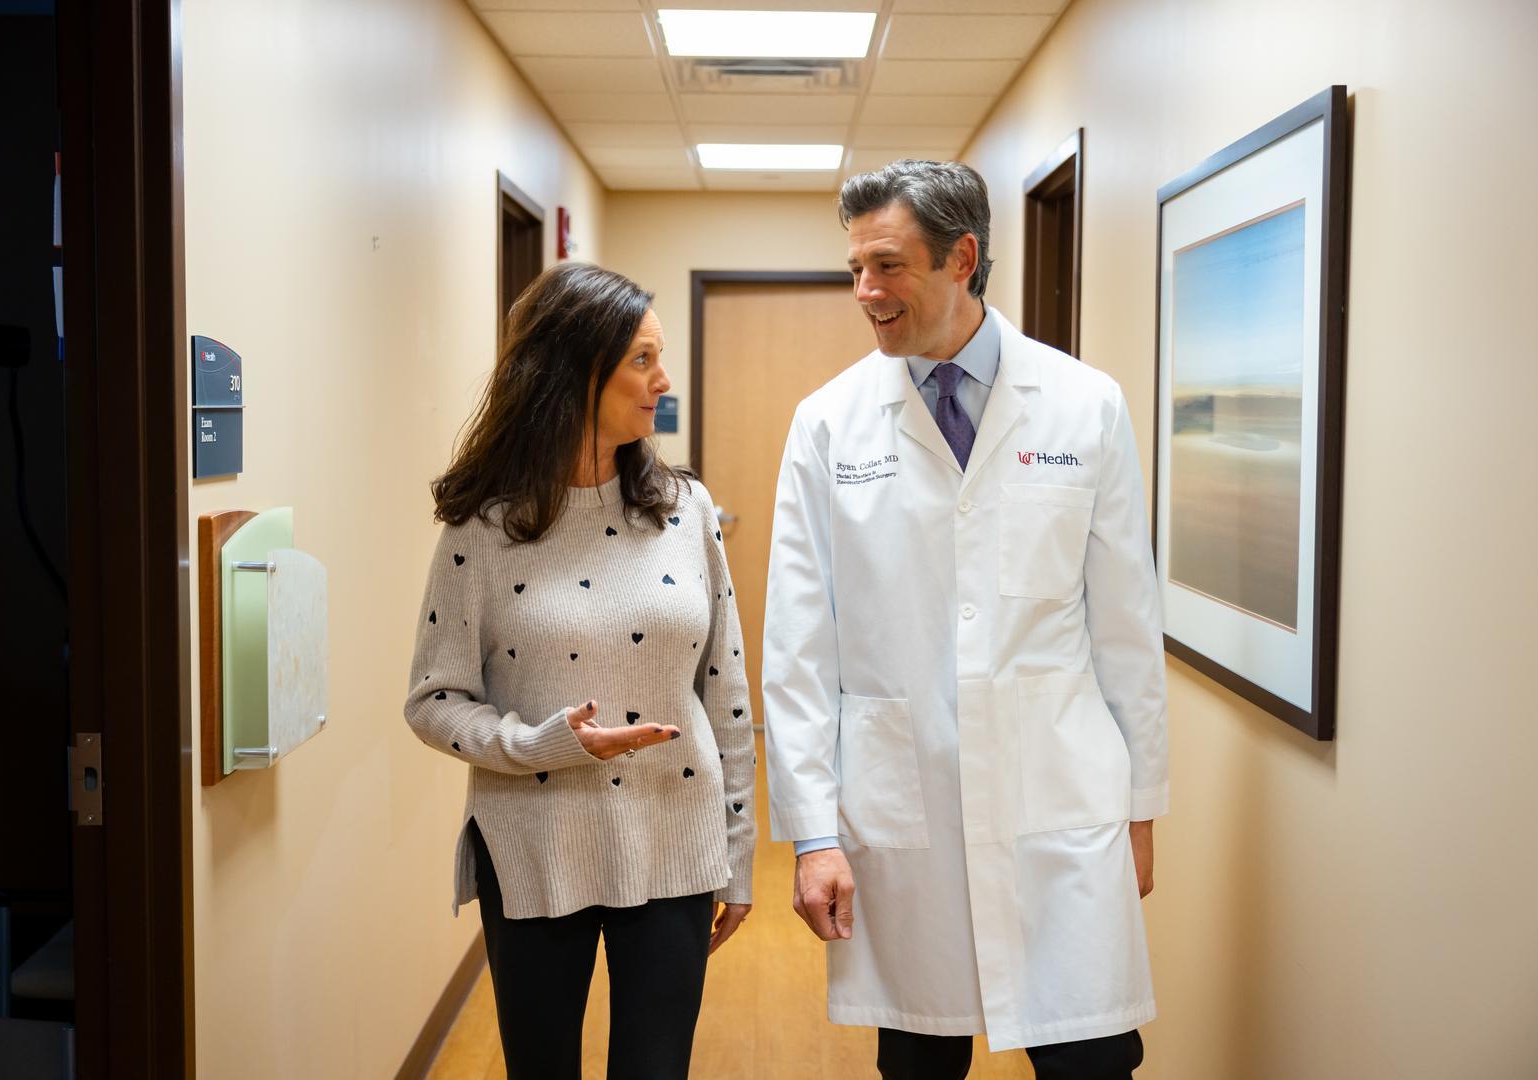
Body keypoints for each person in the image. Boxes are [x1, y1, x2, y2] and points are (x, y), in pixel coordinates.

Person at [762, 160, 1168, 1079]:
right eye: (854, 268)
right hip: (904, 801)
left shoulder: (1083, 403)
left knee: (1093, 1056)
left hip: (1059, 796)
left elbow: (1125, 627)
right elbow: (797, 645)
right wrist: (814, 836)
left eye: (888, 265)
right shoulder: (827, 424)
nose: (866, 291)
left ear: (963, 258)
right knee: (917, 1057)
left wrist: (1140, 809)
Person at [404, 262, 754, 1080]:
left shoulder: (685, 510)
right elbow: (433, 701)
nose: (662, 382)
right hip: (533, 846)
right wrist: (544, 743)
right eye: (641, 360)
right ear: (569, 371)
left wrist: (738, 856)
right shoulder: (480, 531)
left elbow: (726, 691)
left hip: (673, 837)